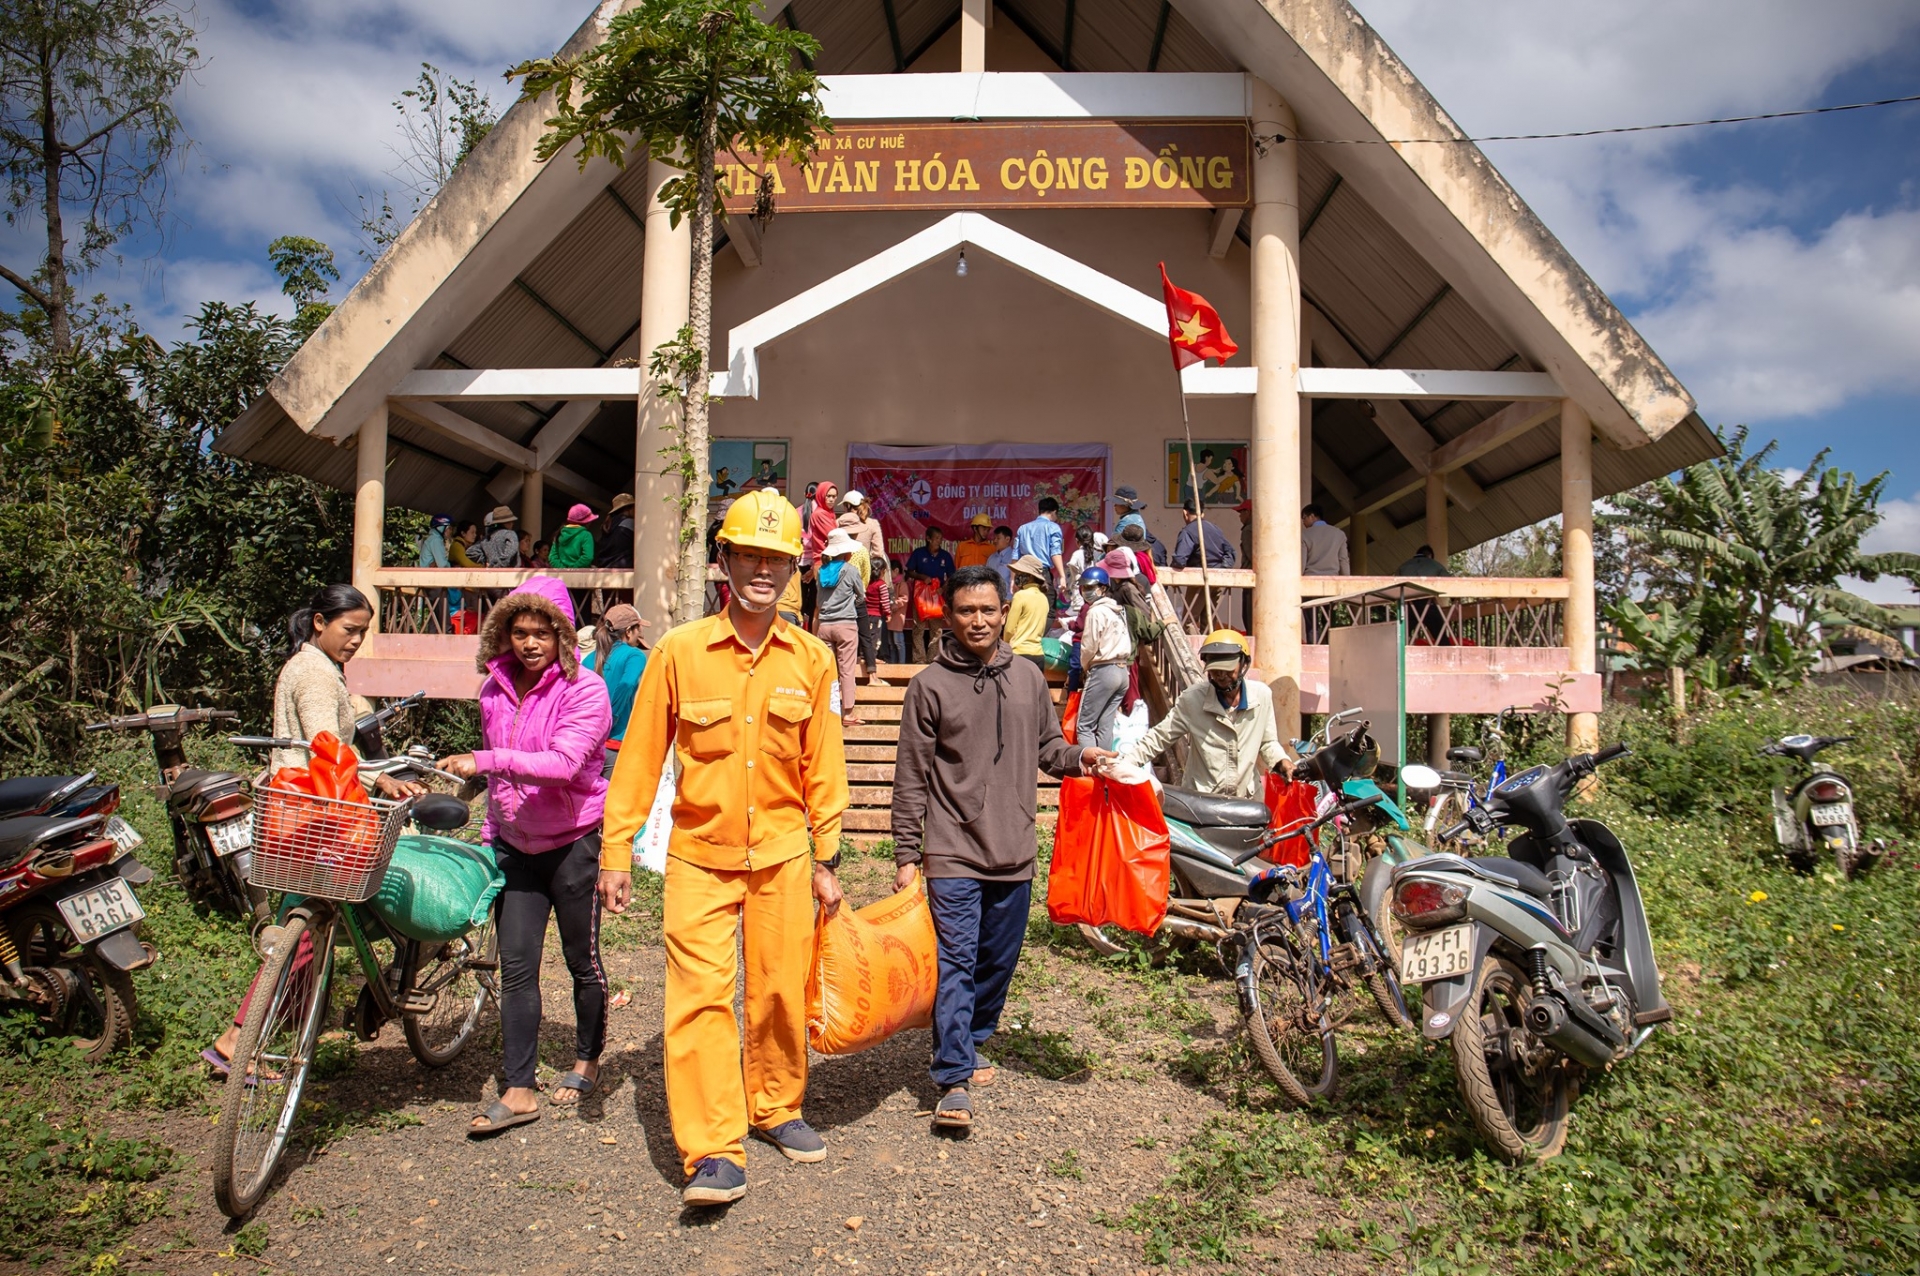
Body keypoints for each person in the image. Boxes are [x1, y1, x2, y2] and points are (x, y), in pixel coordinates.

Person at [600, 487, 850, 1205]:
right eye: (749, 555)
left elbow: (824, 766)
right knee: (699, 998)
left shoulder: (812, 659)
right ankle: (713, 1149)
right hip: (698, 857)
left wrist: (826, 857)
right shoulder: (678, 652)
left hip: (783, 856)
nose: (762, 570)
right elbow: (639, 758)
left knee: (778, 989)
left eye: (777, 558)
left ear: (794, 568)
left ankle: (775, 1105)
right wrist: (615, 850)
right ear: (725, 560)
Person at [891, 564, 1113, 1129]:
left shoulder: (1029, 678)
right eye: (966, 610)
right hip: (952, 848)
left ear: (1005, 611)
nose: (978, 620)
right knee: (957, 959)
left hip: (1014, 847)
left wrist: (1082, 757)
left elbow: (1049, 749)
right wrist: (907, 854)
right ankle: (952, 1079)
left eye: (988, 609)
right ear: (948, 615)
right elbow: (911, 776)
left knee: (998, 959)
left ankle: (971, 1036)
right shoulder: (929, 686)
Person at [202, 586, 425, 1075]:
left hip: (302, 807)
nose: (356, 640)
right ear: (320, 622)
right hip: (317, 812)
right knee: (311, 929)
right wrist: (378, 780)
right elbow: (329, 749)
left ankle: (276, 1027)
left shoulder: (312, 666)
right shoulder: (315, 674)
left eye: (363, 632)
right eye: (350, 630)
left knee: (305, 927)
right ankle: (238, 1038)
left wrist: (375, 775)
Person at [439, 578, 612, 1137]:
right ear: (504, 634)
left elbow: (564, 764)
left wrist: (485, 758)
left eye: (542, 632)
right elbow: (497, 781)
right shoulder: (494, 690)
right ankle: (518, 1090)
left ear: (562, 634)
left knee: (581, 959)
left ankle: (587, 1059)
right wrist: (490, 834)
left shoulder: (586, 690)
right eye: (520, 632)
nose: (531, 643)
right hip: (515, 844)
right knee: (515, 965)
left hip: (573, 841)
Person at [1117, 630, 1291, 799]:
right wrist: (1123, 765)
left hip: (1247, 800)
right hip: (1201, 801)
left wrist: (1282, 761)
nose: (1221, 676)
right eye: (1215, 671)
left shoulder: (1262, 696)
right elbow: (1159, 737)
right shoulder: (1193, 699)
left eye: (1228, 670)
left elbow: (1268, 743)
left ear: (1244, 663)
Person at [584, 603, 650, 779]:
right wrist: (609, 720)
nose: (640, 634)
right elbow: (627, 684)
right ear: (628, 631)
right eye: (638, 629)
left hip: (588, 745)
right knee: (615, 796)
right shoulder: (634, 655)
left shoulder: (589, 659)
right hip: (616, 743)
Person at [1075, 566, 1134, 749]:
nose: (1086, 591)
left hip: (1103, 670)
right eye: (1084, 587)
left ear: (1103, 588)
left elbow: (1089, 647)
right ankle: (1105, 765)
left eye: (1090, 587)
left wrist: (1085, 667)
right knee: (1105, 727)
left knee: (1084, 727)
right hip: (1122, 671)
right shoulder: (1117, 611)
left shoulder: (1096, 611)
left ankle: (1092, 765)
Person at [815, 527, 867, 726]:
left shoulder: (821, 571)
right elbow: (861, 595)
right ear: (846, 552)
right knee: (846, 670)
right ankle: (848, 713)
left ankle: (826, 712)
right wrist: (851, 601)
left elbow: (819, 601)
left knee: (828, 671)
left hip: (824, 626)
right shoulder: (851, 570)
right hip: (846, 625)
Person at [836, 491, 890, 682]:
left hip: (840, 581)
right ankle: (871, 670)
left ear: (847, 506)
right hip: (863, 581)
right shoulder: (872, 524)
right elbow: (878, 553)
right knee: (866, 627)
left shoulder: (839, 523)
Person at [905, 528, 955, 662]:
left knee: (936, 630)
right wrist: (922, 576)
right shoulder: (919, 553)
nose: (939, 541)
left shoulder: (945, 555)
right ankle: (919, 660)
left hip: (937, 597)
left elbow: (952, 576)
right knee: (918, 628)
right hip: (920, 597)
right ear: (928, 538)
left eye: (940, 538)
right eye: (936, 538)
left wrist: (943, 588)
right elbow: (909, 572)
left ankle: (933, 659)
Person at [1004, 555, 1051, 672]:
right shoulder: (1044, 598)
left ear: (1030, 576)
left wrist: (1005, 646)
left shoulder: (1020, 596)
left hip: (1019, 654)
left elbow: (1009, 630)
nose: (1017, 576)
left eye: (1020, 573)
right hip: (1039, 655)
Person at [1014, 496, 1067, 596]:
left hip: (1024, 573)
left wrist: (1013, 579)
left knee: (1027, 604)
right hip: (1041, 573)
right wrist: (1062, 576)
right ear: (1054, 512)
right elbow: (1055, 552)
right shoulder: (1053, 527)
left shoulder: (1023, 528)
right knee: (1046, 603)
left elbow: (1015, 556)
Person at [1174, 498, 1237, 569]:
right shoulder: (1216, 529)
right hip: (1218, 573)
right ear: (1202, 514)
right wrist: (1222, 568)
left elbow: (1179, 560)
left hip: (1199, 574)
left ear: (1185, 513)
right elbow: (1231, 553)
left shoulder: (1188, 531)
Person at [1111, 485, 1168, 565]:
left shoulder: (1128, 520)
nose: (1114, 506)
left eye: (1117, 503)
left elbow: (1114, 546)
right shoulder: (1135, 517)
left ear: (1125, 505)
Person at [417, 514, 456, 622]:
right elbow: (443, 564)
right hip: (434, 582)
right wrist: (452, 567)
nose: (450, 531)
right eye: (449, 528)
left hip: (429, 581)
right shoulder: (436, 540)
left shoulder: (432, 539)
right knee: (443, 618)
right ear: (441, 528)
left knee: (435, 616)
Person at [1064, 529, 1108, 615]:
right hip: (1093, 593)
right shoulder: (1096, 554)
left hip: (1079, 595)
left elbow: (1074, 576)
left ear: (1077, 540)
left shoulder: (1077, 554)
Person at [1301, 504, 1350, 576]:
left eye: (1304, 518)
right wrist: (1347, 578)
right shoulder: (1339, 534)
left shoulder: (1304, 535)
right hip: (1332, 578)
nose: (1303, 522)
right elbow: (1343, 560)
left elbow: (1302, 562)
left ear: (1312, 516)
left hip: (1311, 578)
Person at [594, 493, 636, 570]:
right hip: (623, 568)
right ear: (628, 508)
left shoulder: (607, 524)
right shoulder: (630, 523)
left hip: (605, 567)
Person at [550, 504, 597, 569]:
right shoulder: (586, 535)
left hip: (561, 574)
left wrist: (563, 570)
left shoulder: (559, 533)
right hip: (580, 573)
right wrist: (573, 569)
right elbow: (588, 557)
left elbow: (552, 557)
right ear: (586, 522)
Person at [886, 559, 910, 664]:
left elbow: (904, 598)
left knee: (898, 642)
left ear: (896, 570)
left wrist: (894, 604)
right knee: (891, 643)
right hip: (890, 616)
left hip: (897, 616)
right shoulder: (890, 584)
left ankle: (901, 664)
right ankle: (893, 663)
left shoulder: (902, 584)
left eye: (889, 571)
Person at [985, 525, 1017, 592]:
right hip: (992, 595)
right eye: (994, 538)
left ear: (1007, 539)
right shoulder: (991, 558)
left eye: (998, 538)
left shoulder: (1014, 558)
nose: (995, 541)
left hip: (1008, 597)